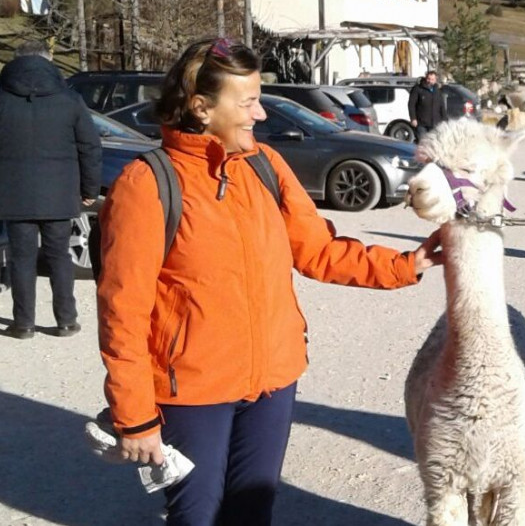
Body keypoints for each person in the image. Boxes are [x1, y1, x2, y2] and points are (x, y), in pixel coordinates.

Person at [97, 38, 443, 525]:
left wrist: (410, 263)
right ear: (201, 107)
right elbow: (122, 313)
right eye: (248, 102)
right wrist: (134, 416)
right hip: (194, 391)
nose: (260, 115)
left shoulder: (264, 166)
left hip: (273, 382)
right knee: (196, 515)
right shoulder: (147, 183)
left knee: (253, 510)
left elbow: (318, 249)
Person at [0, 41, 101, 340]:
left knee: (21, 258)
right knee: (59, 257)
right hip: (60, 194)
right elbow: (90, 147)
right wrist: (90, 190)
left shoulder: (2, 99)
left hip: (14, 194)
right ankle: (66, 320)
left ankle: (24, 323)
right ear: (48, 61)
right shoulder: (69, 100)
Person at [407, 70, 445, 142]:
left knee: (434, 144)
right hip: (421, 124)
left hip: (435, 123)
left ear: (435, 80)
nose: (430, 81)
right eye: (428, 79)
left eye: (432, 79)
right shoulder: (418, 89)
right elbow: (411, 104)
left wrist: (445, 120)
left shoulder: (437, 90)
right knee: (423, 143)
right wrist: (413, 118)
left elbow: (442, 106)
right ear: (425, 78)